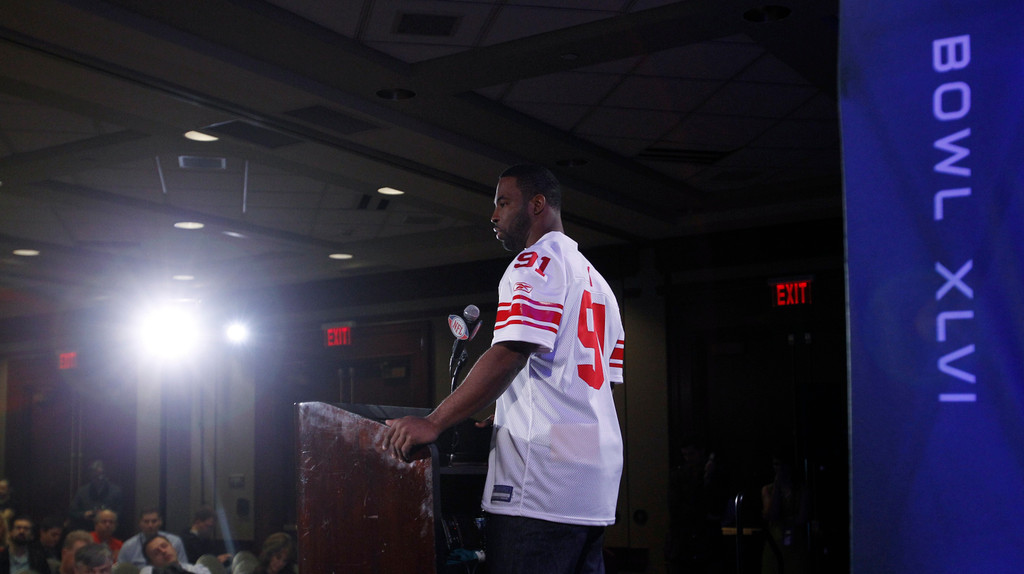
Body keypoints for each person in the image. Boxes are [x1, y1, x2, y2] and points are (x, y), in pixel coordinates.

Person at [383, 164, 625, 574]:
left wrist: (435, 421)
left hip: (540, 492)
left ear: (536, 205)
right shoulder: (598, 282)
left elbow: (511, 351)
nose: (493, 215)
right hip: (593, 479)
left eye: (503, 202)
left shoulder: (534, 263)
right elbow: (598, 387)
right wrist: (515, 408)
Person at [117, 508, 188, 567]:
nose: (150, 525)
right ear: (140, 523)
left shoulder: (175, 541)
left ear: (160, 522)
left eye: (154, 521)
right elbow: (120, 570)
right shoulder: (128, 546)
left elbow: (184, 566)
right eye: (146, 522)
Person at [68, 460, 123, 533]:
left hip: (108, 531)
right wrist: (84, 514)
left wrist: (106, 515)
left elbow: (120, 514)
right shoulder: (82, 491)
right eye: (95, 475)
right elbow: (72, 512)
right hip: (87, 530)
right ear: (91, 475)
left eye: (100, 475)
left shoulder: (115, 491)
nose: (98, 478)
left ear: (105, 475)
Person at [139, 535, 210, 574]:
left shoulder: (198, 569)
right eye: (156, 553)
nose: (163, 551)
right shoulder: (148, 571)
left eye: (164, 546)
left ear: (173, 548)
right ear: (151, 562)